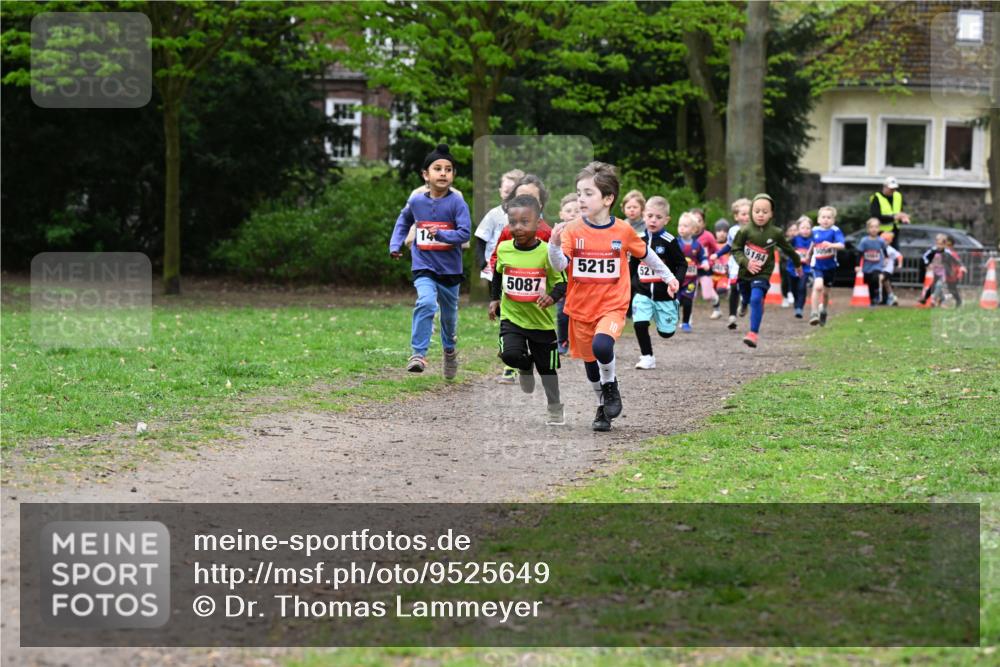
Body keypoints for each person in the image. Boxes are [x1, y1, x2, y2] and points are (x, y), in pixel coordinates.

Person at [548, 162, 679, 432]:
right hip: (580, 307)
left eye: (587, 194)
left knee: (603, 347)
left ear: (608, 199)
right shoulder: (572, 230)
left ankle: (611, 386)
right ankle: (602, 405)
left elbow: (647, 254)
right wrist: (553, 244)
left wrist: (668, 277)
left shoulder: (622, 230)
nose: (581, 199)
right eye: (579, 193)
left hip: (612, 305)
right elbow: (560, 265)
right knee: (590, 366)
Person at [389, 144, 471, 377]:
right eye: (438, 168)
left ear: (453, 175)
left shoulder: (457, 203)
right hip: (424, 265)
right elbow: (403, 221)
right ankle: (418, 353)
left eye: (448, 169)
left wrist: (442, 234)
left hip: (450, 270)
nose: (443, 173)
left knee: (449, 319)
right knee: (425, 302)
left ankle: (449, 351)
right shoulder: (416, 201)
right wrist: (395, 245)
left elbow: (464, 233)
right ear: (426, 175)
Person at [489, 195, 567, 425]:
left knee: (548, 371)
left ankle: (554, 406)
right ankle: (524, 365)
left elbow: (562, 282)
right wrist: (494, 299)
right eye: (513, 222)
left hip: (541, 323)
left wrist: (551, 298)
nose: (518, 227)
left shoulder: (546, 252)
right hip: (512, 318)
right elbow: (498, 274)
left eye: (525, 222)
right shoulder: (503, 248)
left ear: (538, 223)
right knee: (510, 355)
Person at [489, 174, 553, 384]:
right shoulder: (508, 231)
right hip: (512, 298)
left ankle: (529, 361)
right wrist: (495, 291)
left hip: (537, 301)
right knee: (511, 338)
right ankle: (513, 365)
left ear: (540, 205)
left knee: (534, 337)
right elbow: (499, 258)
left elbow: (556, 267)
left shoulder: (547, 233)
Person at [731, 193, 802, 348]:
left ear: (771, 214)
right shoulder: (744, 231)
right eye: (757, 211)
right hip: (744, 273)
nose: (760, 215)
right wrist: (746, 262)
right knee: (748, 298)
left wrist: (798, 263)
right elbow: (735, 249)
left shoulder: (775, 233)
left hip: (763, 274)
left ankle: (753, 333)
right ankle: (744, 303)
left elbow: (788, 249)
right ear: (751, 212)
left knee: (756, 299)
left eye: (765, 211)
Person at [630, 196, 686, 370]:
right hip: (643, 292)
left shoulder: (669, 241)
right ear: (644, 216)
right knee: (639, 323)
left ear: (666, 220)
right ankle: (647, 356)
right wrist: (627, 286)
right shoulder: (638, 239)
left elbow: (682, 264)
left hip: (665, 295)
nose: (653, 220)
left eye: (658, 217)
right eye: (650, 216)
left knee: (666, 333)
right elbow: (632, 265)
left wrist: (675, 282)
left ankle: (669, 312)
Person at [474, 169, 524, 278]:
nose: (509, 196)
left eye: (513, 192)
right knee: (495, 295)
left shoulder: (530, 216)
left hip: (519, 268)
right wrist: (482, 262)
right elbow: (480, 240)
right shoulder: (493, 214)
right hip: (493, 267)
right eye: (506, 192)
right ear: (500, 191)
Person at [712, 198, 752, 329]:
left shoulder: (756, 230)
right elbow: (729, 246)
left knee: (746, 288)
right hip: (735, 263)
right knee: (734, 287)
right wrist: (717, 254)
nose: (747, 217)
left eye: (749, 213)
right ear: (736, 216)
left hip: (750, 264)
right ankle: (732, 316)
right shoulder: (733, 231)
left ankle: (745, 303)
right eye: (743, 214)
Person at [808, 205, 845, 327]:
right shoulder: (814, 231)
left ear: (833, 220)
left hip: (830, 266)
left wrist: (831, 245)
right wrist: (808, 255)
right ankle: (813, 313)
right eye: (823, 217)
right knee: (818, 286)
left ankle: (823, 310)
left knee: (825, 293)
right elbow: (812, 244)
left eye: (829, 217)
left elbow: (842, 245)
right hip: (817, 265)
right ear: (818, 219)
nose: (826, 220)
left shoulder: (835, 230)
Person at [555, 193, 579, 355]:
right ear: (561, 214)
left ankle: (581, 341)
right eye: (568, 210)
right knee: (563, 314)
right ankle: (562, 340)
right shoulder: (557, 234)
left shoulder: (587, 232)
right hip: (563, 281)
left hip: (583, 282)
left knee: (582, 316)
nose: (572, 214)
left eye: (577, 210)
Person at [676, 212, 706, 333]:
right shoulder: (675, 243)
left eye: (685, 226)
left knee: (688, 301)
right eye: (680, 225)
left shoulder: (697, 245)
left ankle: (686, 322)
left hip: (691, 280)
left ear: (693, 229)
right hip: (677, 279)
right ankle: (670, 320)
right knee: (675, 302)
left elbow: (702, 257)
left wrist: (705, 262)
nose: (681, 228)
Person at [918, 234, 966, 307]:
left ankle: (934, 299)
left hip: (944, 272)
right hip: (936, 272)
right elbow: (924, 257)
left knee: (940, 285)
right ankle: (928, 299)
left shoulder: (947, 252)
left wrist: (961, 266)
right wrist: (927, 263)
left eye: (941, 244)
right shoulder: (933, 250)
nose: (939, 246)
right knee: (933, 286)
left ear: (944, 244)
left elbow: (956, 260)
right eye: (937, 244)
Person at [869, 176, 910, 250]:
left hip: (894, 232)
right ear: (885, 187)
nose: (893, 190)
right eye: (891, 189)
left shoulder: (898, 196)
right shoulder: (876, 197)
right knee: (882, 253)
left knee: (895, 254)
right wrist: (893, 217)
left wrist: (903, 217)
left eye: (894, 188)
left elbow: (899, 211)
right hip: (881, 232)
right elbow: (875, 216)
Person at [857, 218, 889, 307]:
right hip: (867, 266)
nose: (874, 229)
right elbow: (859, 253)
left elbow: (884, 249)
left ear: (879, 229)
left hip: (877, 265)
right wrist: (857, 265)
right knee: (869, 282)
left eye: (876, 227)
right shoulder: (864, 241)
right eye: (871, 227)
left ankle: (876, 295)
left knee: (876, 278)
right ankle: (872, 299)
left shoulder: (880, 240)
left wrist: (886, 258)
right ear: (868, 229)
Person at [787, 216, 813, 318]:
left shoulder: (813, 240)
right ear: (798, 229)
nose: (805, 230)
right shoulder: (794, 239)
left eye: (808, 228)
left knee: (801, 288)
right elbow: (784, 246)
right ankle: (796, 304)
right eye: (803, 228)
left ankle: (799, 308)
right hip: (791, 268)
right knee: (794, 288)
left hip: (805, 268)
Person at [709, 219, 731, 320]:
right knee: (711, 293)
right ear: (715, 232)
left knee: (720, 290)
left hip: (724, 276)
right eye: (719, 231)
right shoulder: (712, 245)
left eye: (724, 231)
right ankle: (716, 309)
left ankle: (728, 290)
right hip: (713, 275)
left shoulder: (729, 246)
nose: (721, 233)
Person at [879, 231, 903, 306]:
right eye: (882, 240)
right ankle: (889, 298)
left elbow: (899, 256)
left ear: (890, 241)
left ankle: (879, 297)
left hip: (888, 270)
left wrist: (900, 264)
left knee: (880, 279)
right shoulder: (878, 248)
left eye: (886, 240)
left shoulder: (890, 249)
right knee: (886, 284)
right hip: (880, 269)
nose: (884, 242)